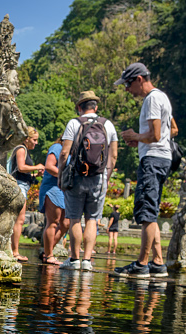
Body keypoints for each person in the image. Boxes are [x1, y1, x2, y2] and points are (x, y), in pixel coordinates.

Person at [114, 62, 178, 278]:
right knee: (151, 210)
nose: (127, 89)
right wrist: (141, 141)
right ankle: (158, 262)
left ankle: (142, 264)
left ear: (139, 79)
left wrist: (136, 137)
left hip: (152, 160)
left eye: (128, 84)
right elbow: (173, 129)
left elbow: (156, 135)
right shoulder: (163, 97)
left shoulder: (151, 99)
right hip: (161, 158)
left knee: (146, 212)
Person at [59, 91, 118, 271]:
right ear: (96, 107)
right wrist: (105, 176)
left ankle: (74, 259)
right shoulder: (108, 125)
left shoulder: (74, 123)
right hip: (98, 178)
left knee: (75, 218)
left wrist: (62, 176)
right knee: (92, 219)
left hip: (76, 177)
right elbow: (113, 155)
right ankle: (86, 261)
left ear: (79, 107)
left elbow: (64, 153)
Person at [9, 126, 46, 262]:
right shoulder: (20, 149)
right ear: (27, 138)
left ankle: (13, 250)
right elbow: (21, 167)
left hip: (22, 184)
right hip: (18, 187)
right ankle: (15, 252)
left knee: (18, 219)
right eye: (34, 140)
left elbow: (23, 172)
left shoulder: (25, 150)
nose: (36, 143)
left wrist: (35, 174)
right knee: (19, 220)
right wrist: (37, 166)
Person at [38, 136, 67, 265]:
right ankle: (49, 255)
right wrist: (65, 175)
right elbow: (49, 166)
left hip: (65, 190)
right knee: (53, 222)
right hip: (53, 188)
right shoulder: (57, 148)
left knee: (66, 223)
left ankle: (46, 251)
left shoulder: (72, 152)